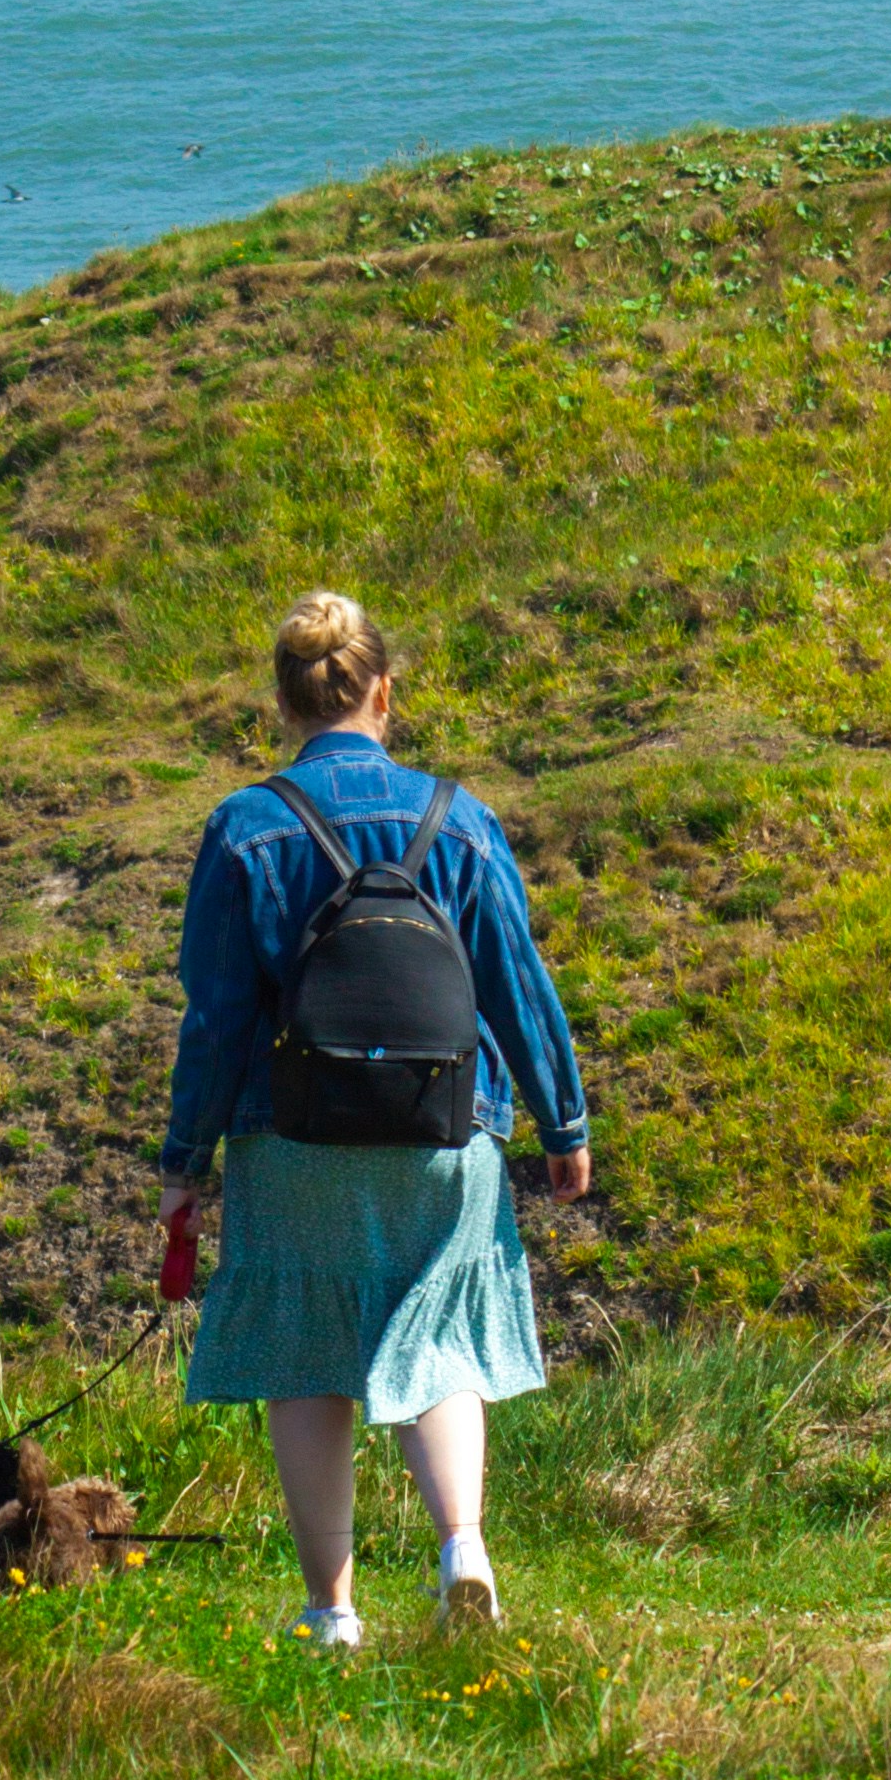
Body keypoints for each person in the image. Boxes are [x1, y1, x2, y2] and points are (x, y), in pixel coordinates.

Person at [156, 591, 592, 1646]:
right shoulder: (462, 819)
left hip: (292, 1136)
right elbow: (517, 985)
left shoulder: (246, 828)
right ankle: (462, 1549)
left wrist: (184, 1162)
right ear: (384, 693)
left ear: (284, 702)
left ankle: (331, 1613)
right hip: (445, 1130)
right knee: (437, 1339)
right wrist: (562, 1123)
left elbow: (214, 1019)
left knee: (309, 1361)